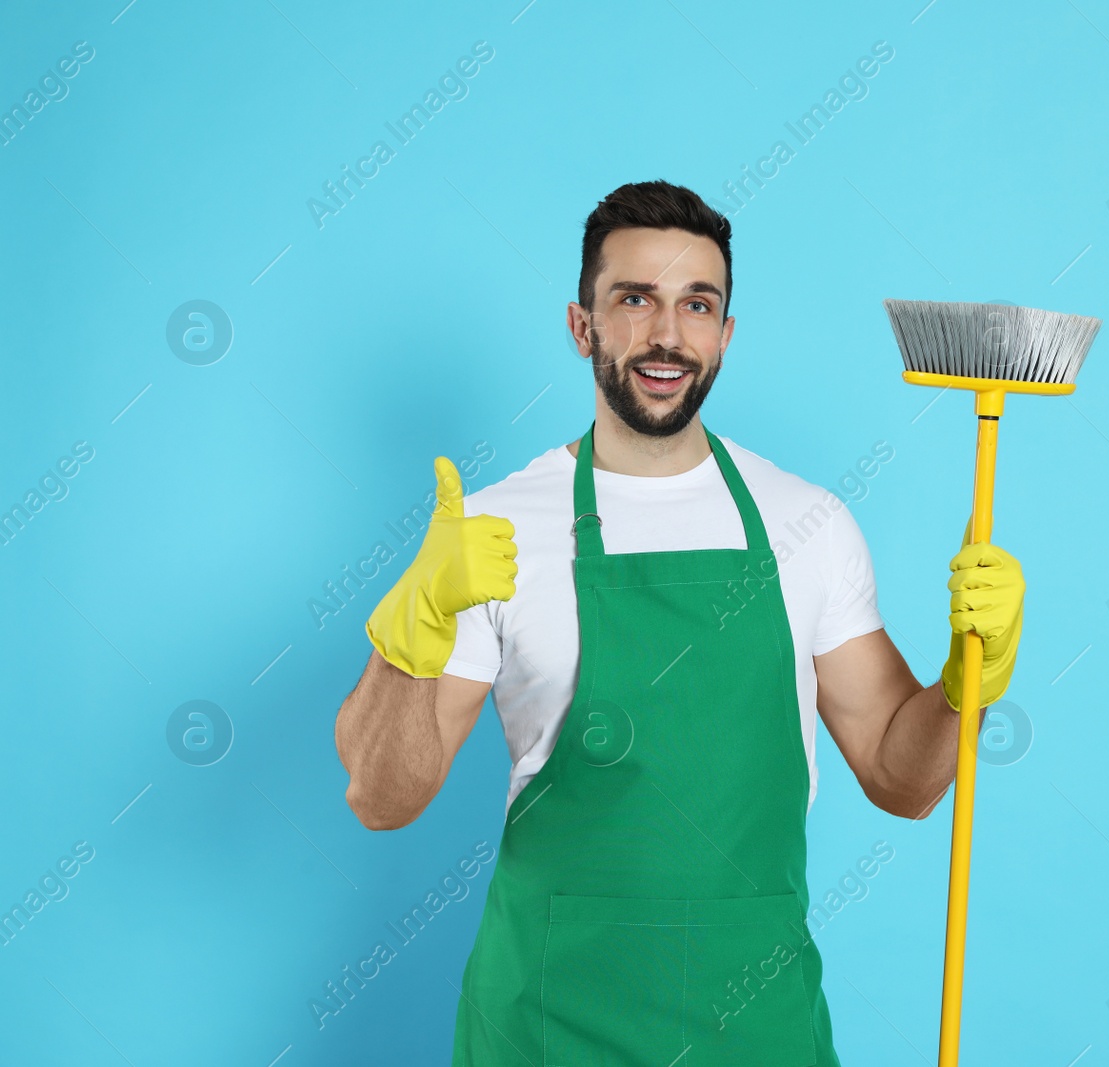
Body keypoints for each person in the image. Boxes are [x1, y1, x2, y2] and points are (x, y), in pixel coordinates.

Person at [333, 180, 1027, 1066]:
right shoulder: (498, 530)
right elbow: (384, 799)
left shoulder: (805, 523)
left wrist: (966, 685)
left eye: (697, 305)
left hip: (756, 1028)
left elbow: (904, 778)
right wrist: (411, 631)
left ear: (726, 333)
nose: (668, 334)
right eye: (635, 300)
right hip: (548, 1028)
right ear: (583, 325)